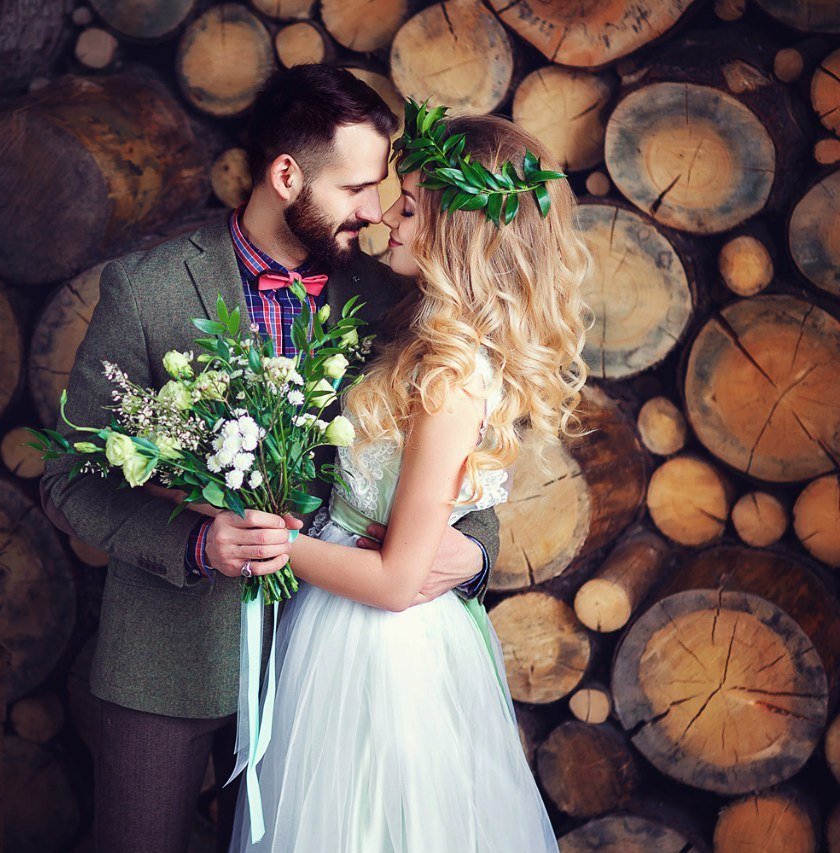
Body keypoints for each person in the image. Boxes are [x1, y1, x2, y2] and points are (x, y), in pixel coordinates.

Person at [40, 64, 502, 853]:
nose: (378, 211)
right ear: (287, 175)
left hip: (327, 667)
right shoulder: (147, 292)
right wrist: (194, 541)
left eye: (382, 188)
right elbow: (70, 480)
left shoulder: (389, 298)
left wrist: (477, 551)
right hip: (165, 663)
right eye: (356, 188)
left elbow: (450, 462)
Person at [226, 111, 592, 852]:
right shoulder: (423, 337)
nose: (386, 216)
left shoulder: (452, 378)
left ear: (458, 233)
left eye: (410, 207)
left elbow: (398, 579)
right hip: (338, 625)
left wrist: (271, 543)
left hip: (382, 644)